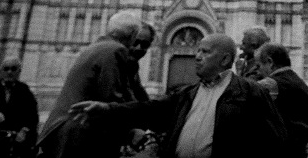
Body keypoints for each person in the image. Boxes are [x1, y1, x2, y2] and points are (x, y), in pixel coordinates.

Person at [72, 33, 286, 158]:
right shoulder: (187, 93)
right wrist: (107, 109)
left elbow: (275, 142)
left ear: (224, 59)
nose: (197, 56)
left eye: (205, 52)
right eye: (198, 50)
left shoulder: (250, 92)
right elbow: (150, 110)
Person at [37, 11, 143, 158]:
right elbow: (112, 95)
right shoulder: (115, 50)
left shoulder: (96, 47)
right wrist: (134, 128)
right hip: (79, 133)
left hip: (63, 129)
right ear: (132, 35)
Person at [255, 42, 308, 158]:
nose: (257, 72)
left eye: (258, 66)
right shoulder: (303, 86)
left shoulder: (269, 84)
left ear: (270, 62)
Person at [127, 23, 156, 102]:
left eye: (145, 44)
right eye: (135, 42)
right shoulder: (116, 63)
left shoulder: (133, 67)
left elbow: (142, 97)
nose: (139, 48)